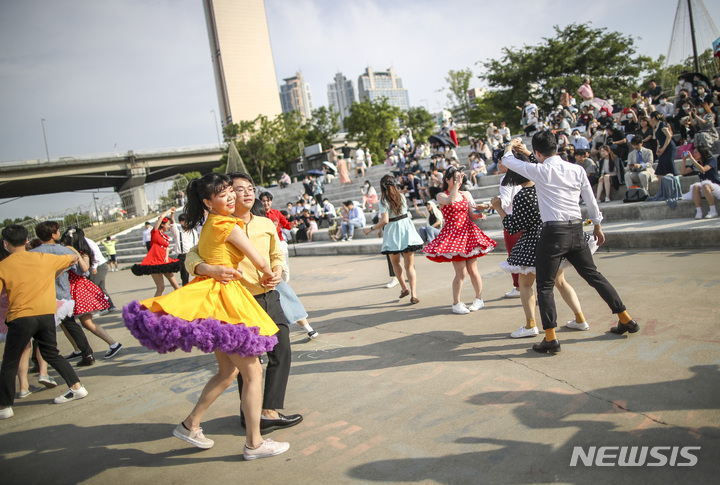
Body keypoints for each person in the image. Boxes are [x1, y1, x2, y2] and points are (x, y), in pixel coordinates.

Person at [124, 173, 289, 460]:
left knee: (228, 373)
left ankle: (191, 424)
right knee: (253, 372)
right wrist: (268, 271)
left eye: (230, 191)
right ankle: (254, 443)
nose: (230, 196)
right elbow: (257, 258)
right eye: (223, 193)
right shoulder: (226, 223)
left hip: (217, 298)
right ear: (207, 202)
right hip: (226, 299)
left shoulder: (215, 223)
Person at [185, 172, 303, 437]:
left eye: (250, 188)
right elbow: (192, 256)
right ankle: (248, 418)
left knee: (280, 351)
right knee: (246, 365)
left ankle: (268, 411)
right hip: (240, 301)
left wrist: (276, 269)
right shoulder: (219, 224)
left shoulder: (265, 223)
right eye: (238, 189)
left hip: (268, 296)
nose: (247, 193)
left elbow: (275, 255)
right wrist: (207, 267)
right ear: (221, 196)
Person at [502, 132, 640, 353]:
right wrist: (597, 224)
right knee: (594, 276)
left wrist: (511, 146)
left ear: (538, 153)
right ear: (556, 147)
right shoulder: (576, 169)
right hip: (577, 229)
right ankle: (625, 318)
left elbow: (507, 161)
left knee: (545, 285)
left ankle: (551, 337)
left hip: (553, 233)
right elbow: (591, 199)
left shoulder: (540, 171)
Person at [491, 151, 593, 339]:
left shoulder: (523, 195)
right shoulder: (544, 187)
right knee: (560, 281)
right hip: (553, 237)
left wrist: (498, 208)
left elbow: (513, 227)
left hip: (532, 243)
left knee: (525, 284)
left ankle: (531, 325)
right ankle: (580, 319)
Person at [0, 225, 89, 420]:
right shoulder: (44, 259)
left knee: (9, 363)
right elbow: (73, 259)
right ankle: (77, 387)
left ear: (6, 244)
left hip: (21, 317)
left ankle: (5, 406)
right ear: (26, 241)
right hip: (47, 314)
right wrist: (67, 255)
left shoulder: (3, 266)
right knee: (52, 354)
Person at [422, 167, 496, 314]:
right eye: (455, 178)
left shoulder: (466, 194)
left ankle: (479, 299)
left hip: (468, 233)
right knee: (461, 273)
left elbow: (471, 214)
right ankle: (456, 303)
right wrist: (456, 184)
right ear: (447, 180)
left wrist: (480, 214)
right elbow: (450, 201)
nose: (459, 181)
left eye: (459, 178)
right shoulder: (441, 195)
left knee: (473, 270)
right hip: (454, 235)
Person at [31, 221, 95, 367]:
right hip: (62, 295)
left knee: (39, 330)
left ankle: (37, 363)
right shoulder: (64, 251)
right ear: (54, 235)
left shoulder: (32, 254)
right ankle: (87, 353)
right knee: (71, 325)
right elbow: (82, 271)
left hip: (41, 297)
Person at [61, 228, 123, 359]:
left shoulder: (83, 253)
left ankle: (113, 343)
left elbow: (84, 268)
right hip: (69, 289)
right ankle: (78, 349)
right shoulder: (69, 253)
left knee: (86, 322)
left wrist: (74, 252)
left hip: (79, 289)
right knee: (66, 322)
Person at [364, 175, 424, 304]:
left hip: (393, 233)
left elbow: (385, 220)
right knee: (410, 266)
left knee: (395, 263)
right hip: (406, 230)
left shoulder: (383, 200)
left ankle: (404, 288)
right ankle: (414, 294)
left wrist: (371, 229)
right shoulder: (401, 196)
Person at [131, 207, 182, 297]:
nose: (169, 226)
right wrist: (169, 210)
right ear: (162, 224)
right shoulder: (155, 232)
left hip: (164, 261)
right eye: (168, 224)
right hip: (154, 261)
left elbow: (166, 248)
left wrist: (173, 214)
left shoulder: (164, 236)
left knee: (176, 285)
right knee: (161, 287)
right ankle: (154, 306)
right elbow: (161, 217)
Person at [497, 157, 522, 298]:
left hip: (512, 221)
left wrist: (493, 205)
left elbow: (506, 201)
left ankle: (518, 287)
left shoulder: (506, 179)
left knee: (513, 255)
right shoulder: (524, 174)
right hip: (527, 218)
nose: (498, 165)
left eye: (500, 162)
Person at [681, 146, 720, 219]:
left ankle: (713, 210)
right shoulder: (697, 163)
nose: (694, 154)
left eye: (696, 152)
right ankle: (699, 212)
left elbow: (703, 169)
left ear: (701, 153)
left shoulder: (711, 160)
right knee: (695, 187)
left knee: (705, 184)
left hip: (715, 186)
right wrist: (684, 160)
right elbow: (683, 172)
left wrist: (692, 159)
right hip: (705, 188)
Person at [170, 214, 199, 286]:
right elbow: (172, 224)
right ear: (180, 222)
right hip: (183, 256)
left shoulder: (193, 232)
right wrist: (172, 214)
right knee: (185, 277)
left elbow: (197, 243)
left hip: (193, 254)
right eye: (184, 221)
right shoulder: (177, 232)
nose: (186, 223)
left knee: (199, 273)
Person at [649, 112, 678, 177]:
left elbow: (669, 136)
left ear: (653, 118)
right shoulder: (655, 127)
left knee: (670, 165)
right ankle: (662, 186)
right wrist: (658, 149)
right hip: (662, 147)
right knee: (660, 170)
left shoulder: (662, 124)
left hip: (668, 147)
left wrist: (663, 148)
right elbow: (658, 140)